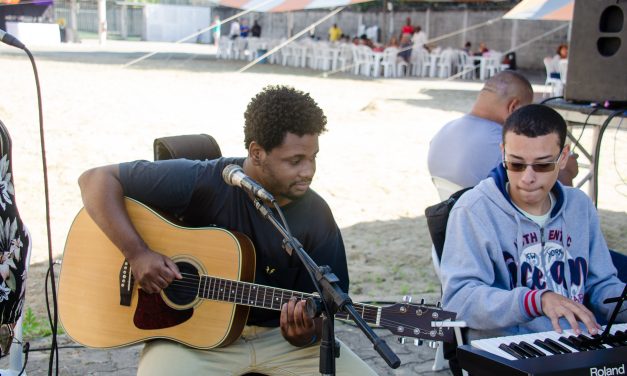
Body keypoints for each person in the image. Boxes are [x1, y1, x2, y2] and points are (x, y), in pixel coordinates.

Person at [77, 86, 376, 376]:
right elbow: (95, 180)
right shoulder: (204, 180)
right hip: (193, 341)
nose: (308, 171)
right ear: (257, 152)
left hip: (279, 341)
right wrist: (138, 253)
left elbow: (330, 310)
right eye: (295, 161)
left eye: (313, 157)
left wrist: (306, 334)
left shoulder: (317, 215)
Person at [440, 104, 627, 343]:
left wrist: (621, 302)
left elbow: (601, 286)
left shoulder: (579, 206)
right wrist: (536, 300)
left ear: (564, 157)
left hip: (579, 341)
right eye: (516, 164)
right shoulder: (474, 210)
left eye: (542, 165)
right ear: (503, 152)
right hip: (509, 348)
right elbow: (459, 301)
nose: (528, 177)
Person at [428, 71, 579, 189]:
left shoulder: (443, 131)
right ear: (513, 107)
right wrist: (565, 169)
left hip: (456, 222)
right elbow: (560, 197)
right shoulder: (503, 144)